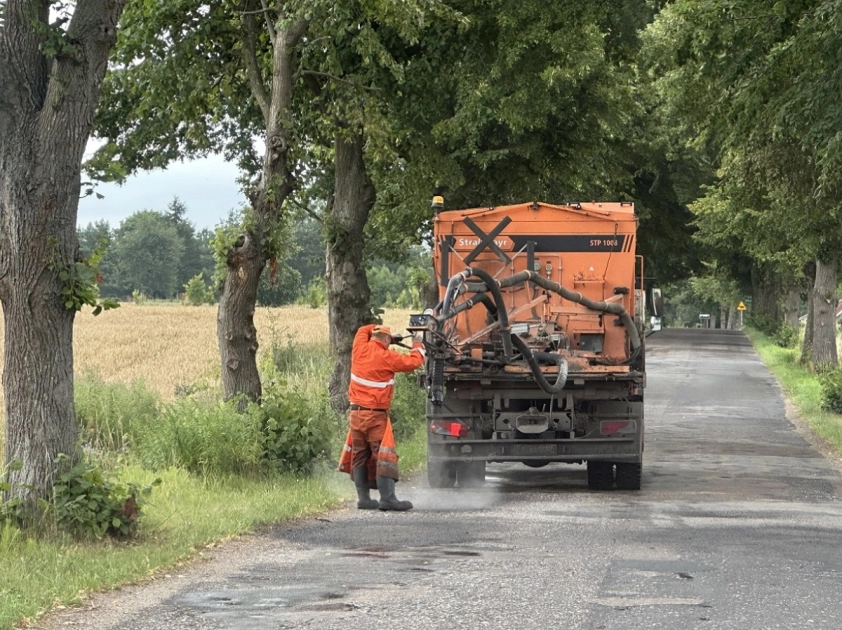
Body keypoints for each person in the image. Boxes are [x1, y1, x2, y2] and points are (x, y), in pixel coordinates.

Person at [345, 323, 425, 511]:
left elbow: (361, 330)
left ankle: (363, 499)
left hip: (355, 414)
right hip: (375, 416)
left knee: (359, 455)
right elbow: (414, 362)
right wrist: (417, 343)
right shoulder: (387, 357)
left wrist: (383, 332)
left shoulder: (359, 348)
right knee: (383, 455)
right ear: (387, 340)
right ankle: (388, 499)